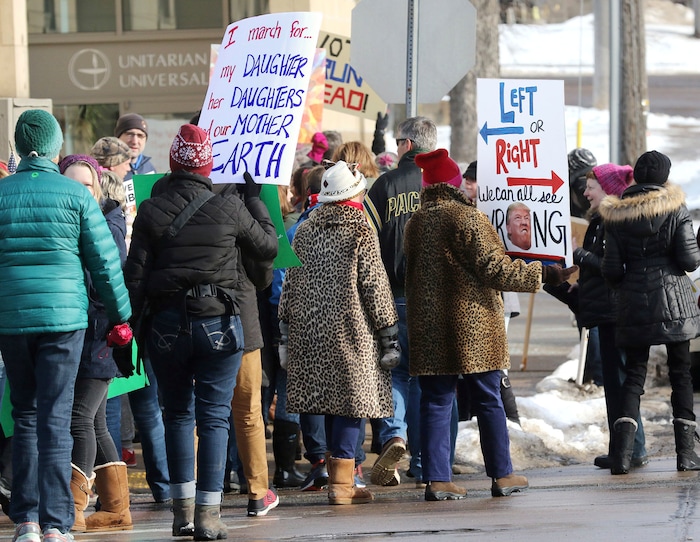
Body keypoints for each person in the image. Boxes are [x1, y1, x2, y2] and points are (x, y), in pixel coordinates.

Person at [124, 124, 277, 539]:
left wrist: (129, 333)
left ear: (173, 163)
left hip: (167, 326)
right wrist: (255, 199)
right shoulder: (229, 208)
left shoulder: (151, 210)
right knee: (214, 417)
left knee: (176, 415)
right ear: (208, 167)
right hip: (219, 324)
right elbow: (268, 247)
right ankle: (209, 516)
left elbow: (135, 278)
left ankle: (182, 514)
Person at [404, 148, 577, 501]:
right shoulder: (468, 219)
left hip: (430, 325)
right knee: (488, 398)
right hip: (474, 324)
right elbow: (495, 269)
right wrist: (545, 274)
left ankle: (437, 479)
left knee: (436, 401)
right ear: (454, 183)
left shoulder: (415, 223)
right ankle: (502, 473)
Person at [0, 109, 131, 542]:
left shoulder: (2, 193)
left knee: (25, 414)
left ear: (21, 146)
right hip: (65, 319)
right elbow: (106, 263)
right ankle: (57, 522)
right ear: (56, 147)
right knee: (57, 417)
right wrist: (121, 315)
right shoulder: (75, 195)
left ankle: (26, 520)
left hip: (13, 318)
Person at [279, 161, 399, 505]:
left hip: (310, 331)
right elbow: (374, 286)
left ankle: (337, 480)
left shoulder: (305, 230)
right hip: (352, 332)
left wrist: (285, 332)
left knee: (327, 403)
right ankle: (343, 485)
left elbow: (289, 285)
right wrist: (389, 334)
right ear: (354, 194)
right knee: (350, 405)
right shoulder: (360, 230)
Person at [600, 150, 700, 475]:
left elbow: (611, 270)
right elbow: (689, 261)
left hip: (633, 303)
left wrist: (628, 284)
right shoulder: (676, 209)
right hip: (675, 303)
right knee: (681, 375)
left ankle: (622, 456)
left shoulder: (617, 215)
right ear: (664, 177)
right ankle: (686, 454)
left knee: (633, 377)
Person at [60, 154, 133, 533]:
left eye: (86, 184)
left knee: (80, 418)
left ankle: (74, 507)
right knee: (97, 421)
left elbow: (107, 286)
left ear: (98, 188)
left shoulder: (107, 226)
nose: (79, 190)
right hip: (83, 335)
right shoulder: (73, 224)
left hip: (100, 336)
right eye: (71, 183)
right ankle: (118, 509)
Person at [364, 116, 437, 487]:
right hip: (435, 299)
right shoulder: (442, 185)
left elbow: (366, 242)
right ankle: (424, 463)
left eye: (397, 141)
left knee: (395, 372)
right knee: (429, 382)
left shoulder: (385, 184)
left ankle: (394, 434)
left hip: (393, 296)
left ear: (407, 144)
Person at [572, 163, 647, 470]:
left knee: (620, 382)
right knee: (616, 385)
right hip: (606, 310)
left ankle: (631, 448)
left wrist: (578, 254)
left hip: (614, 311)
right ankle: (622, 447)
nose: (585, 192)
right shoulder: (602, 220)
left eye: (591, 187)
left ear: (608, 190)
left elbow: (610, 267)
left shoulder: (614, 221)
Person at [115, 113, 157, 179]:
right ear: (118, 138)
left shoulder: (149, 168)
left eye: (140, 136)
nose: (135, 141)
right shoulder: (110, 169)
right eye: (130, 134)